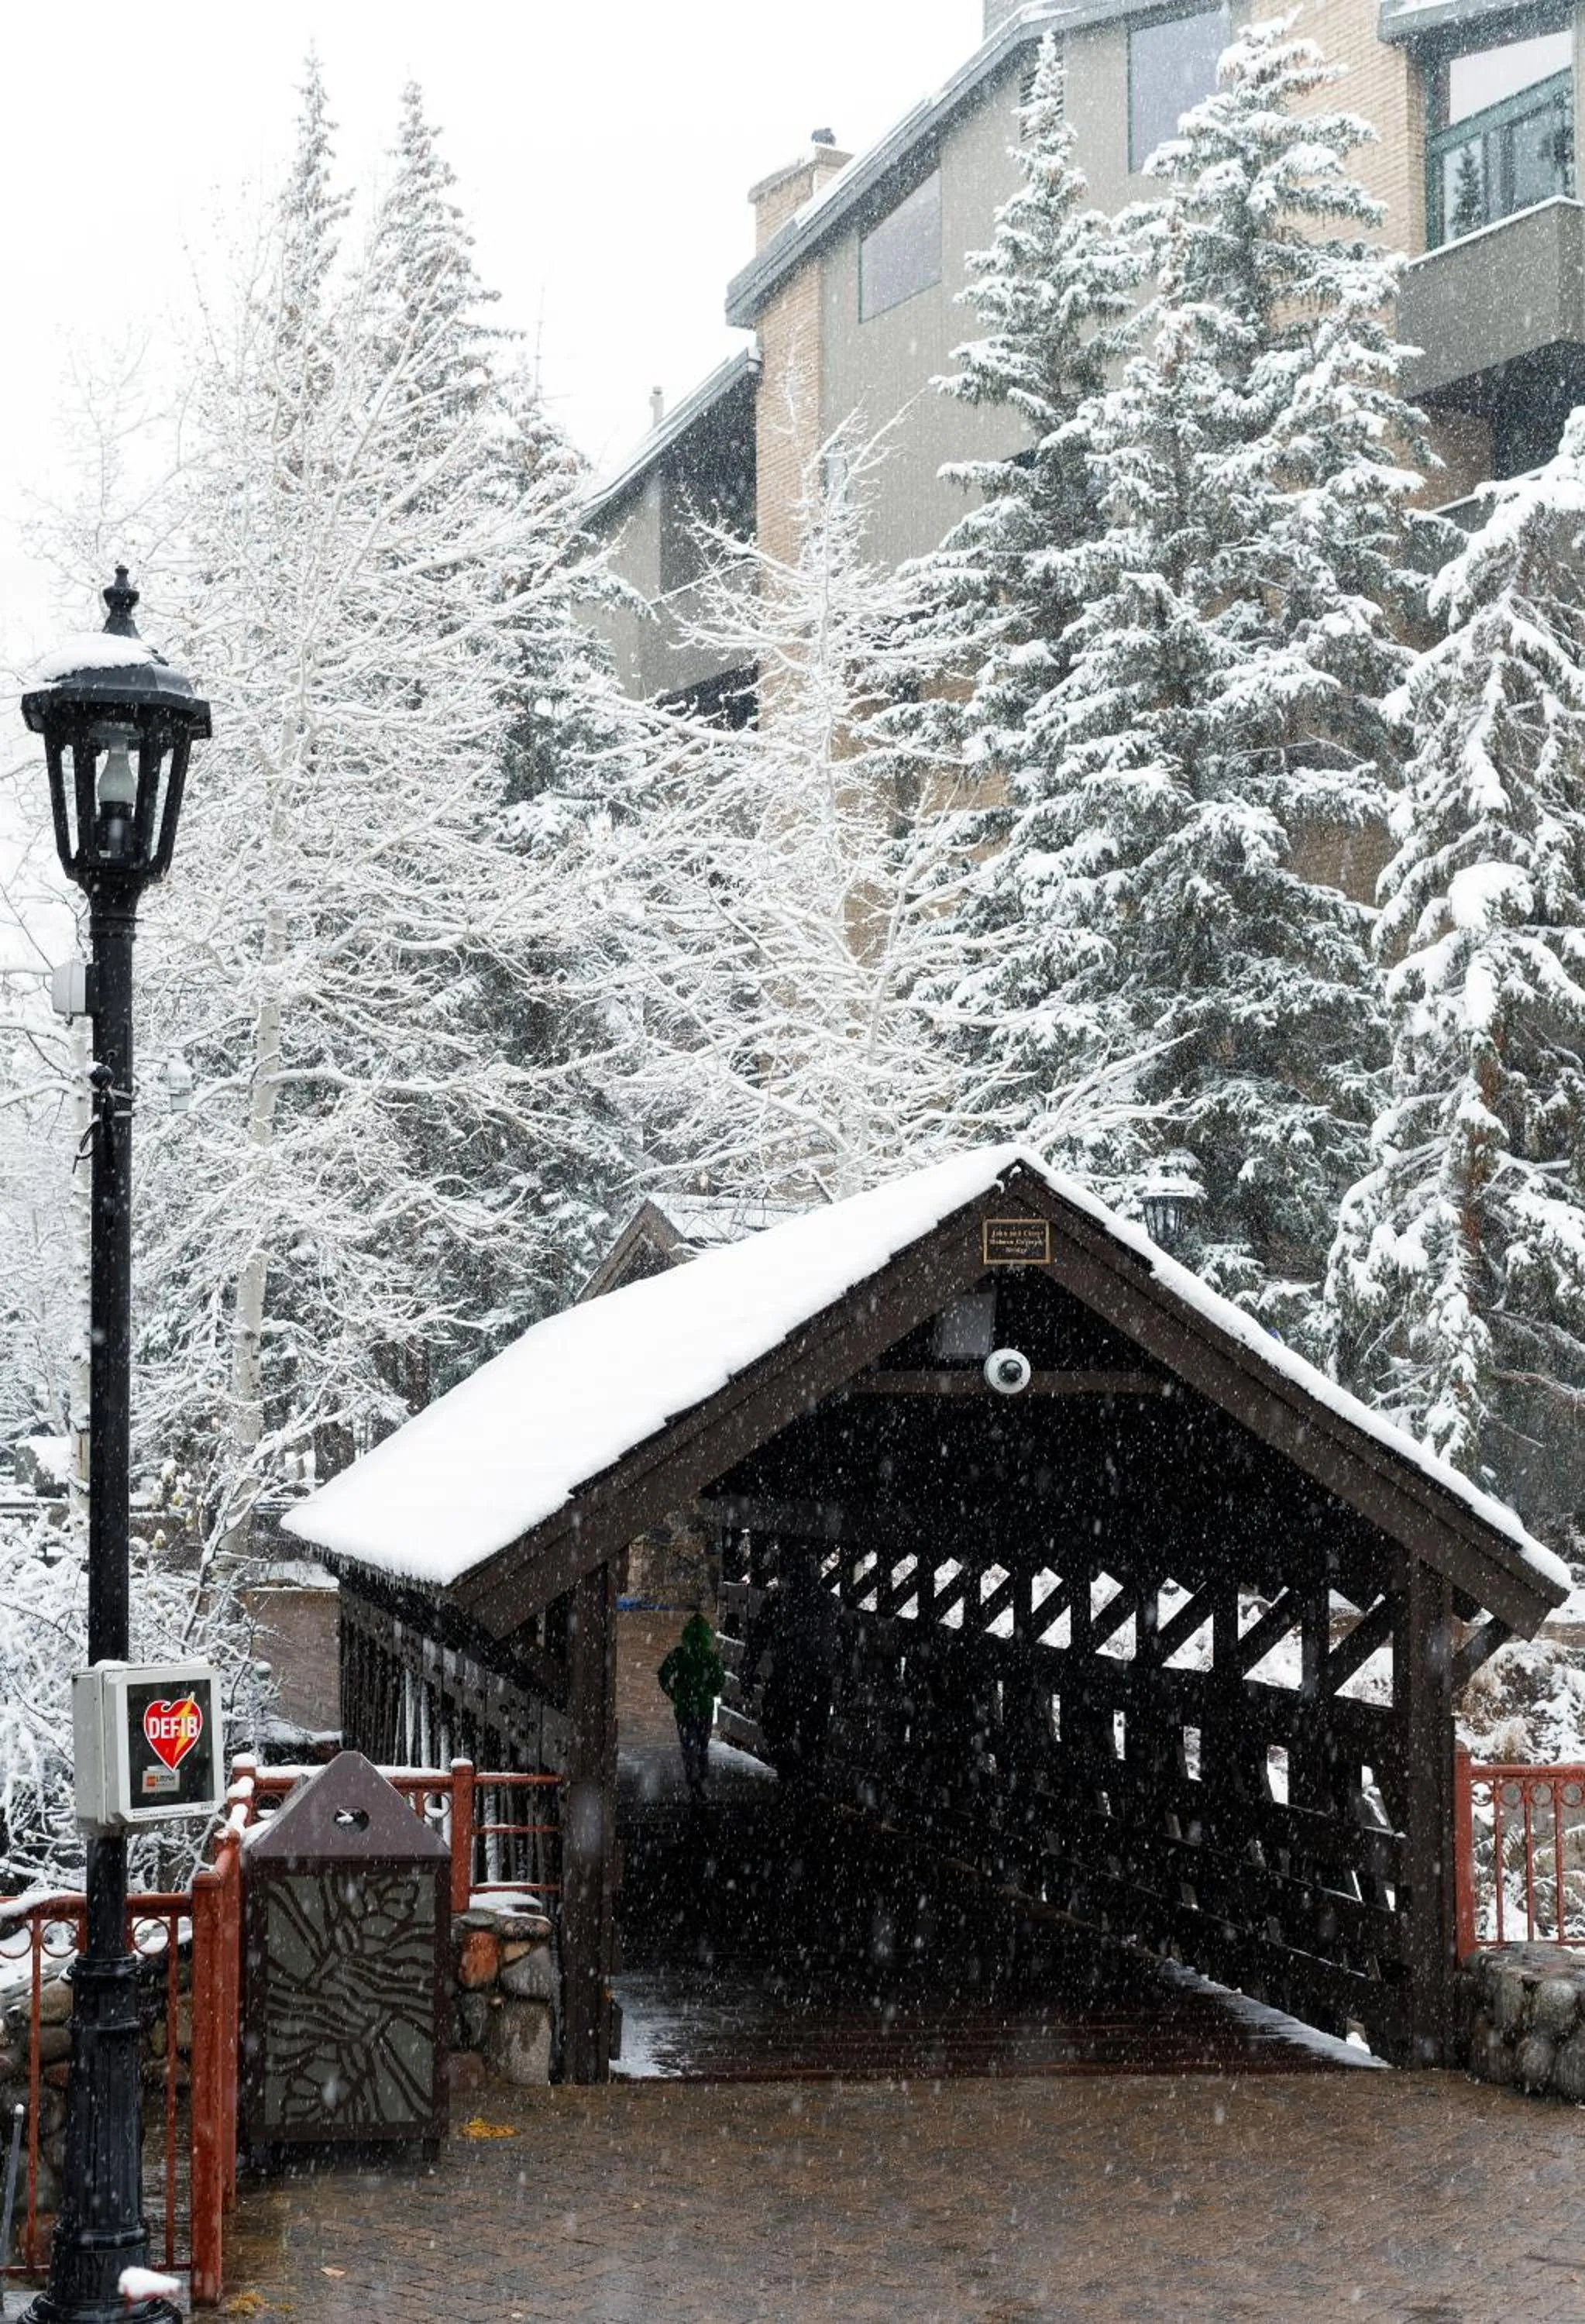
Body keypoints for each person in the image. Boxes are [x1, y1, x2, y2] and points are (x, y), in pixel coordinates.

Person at [658, 1608, 725, 1802]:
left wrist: (673, 1693)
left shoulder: (680, 1655)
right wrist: (709, 1691)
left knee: (688, 1745)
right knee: (703, 1744)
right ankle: (702, 1776)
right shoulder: (710, 1658)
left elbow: (663, 1675)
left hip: (684, 1708)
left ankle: (693, 1779)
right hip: (704, 1708)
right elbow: (719, 1681)